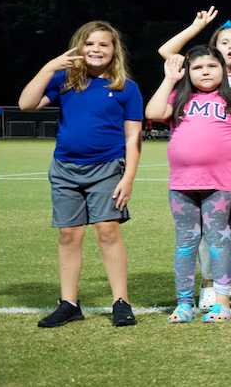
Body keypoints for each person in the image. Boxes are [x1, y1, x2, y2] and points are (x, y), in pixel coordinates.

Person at [18, 21, 144, 328]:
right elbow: (26, 104)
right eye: (90, 44)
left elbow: (133, 138)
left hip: (107, 168)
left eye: (103, 44)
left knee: (107, 230)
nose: (96, 49)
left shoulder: (126, 87)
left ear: (114, 50)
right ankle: (69, 303)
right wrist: (49, 67)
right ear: (78, 48)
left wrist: (128, 179)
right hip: (64, 169)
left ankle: (120, 302)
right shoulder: (64, 80)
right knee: (68, 234)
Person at [159, 8, 231, 309]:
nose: (230, 47)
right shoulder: (198, 76)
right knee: (204, 233)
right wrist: (196, 26)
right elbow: (167, 52)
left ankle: (229, 285)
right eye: (224, 42)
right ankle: (209, 284)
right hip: (195, 173)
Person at [145, 46, 231, 323]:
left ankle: (222, 301)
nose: (205, 71)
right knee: (185, 244)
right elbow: (153, 112)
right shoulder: (178, 98)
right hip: (182, 185)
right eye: (197, 67)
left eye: (211, 66)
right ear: (188, 73)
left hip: (221, 184)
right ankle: (184, 302)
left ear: (223, 70)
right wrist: (169, 78)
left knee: (219, 240)